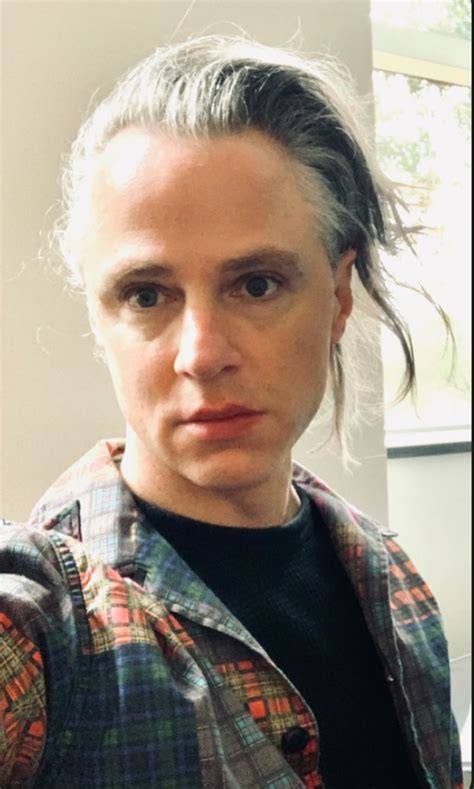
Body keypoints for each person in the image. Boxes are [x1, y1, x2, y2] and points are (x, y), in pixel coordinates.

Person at [0, 35, 463, 788]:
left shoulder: (393, 581)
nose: (202, 353)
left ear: (338, 296)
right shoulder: (45, 630)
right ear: (99, 318)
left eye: (256, 284)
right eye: (147, 294)